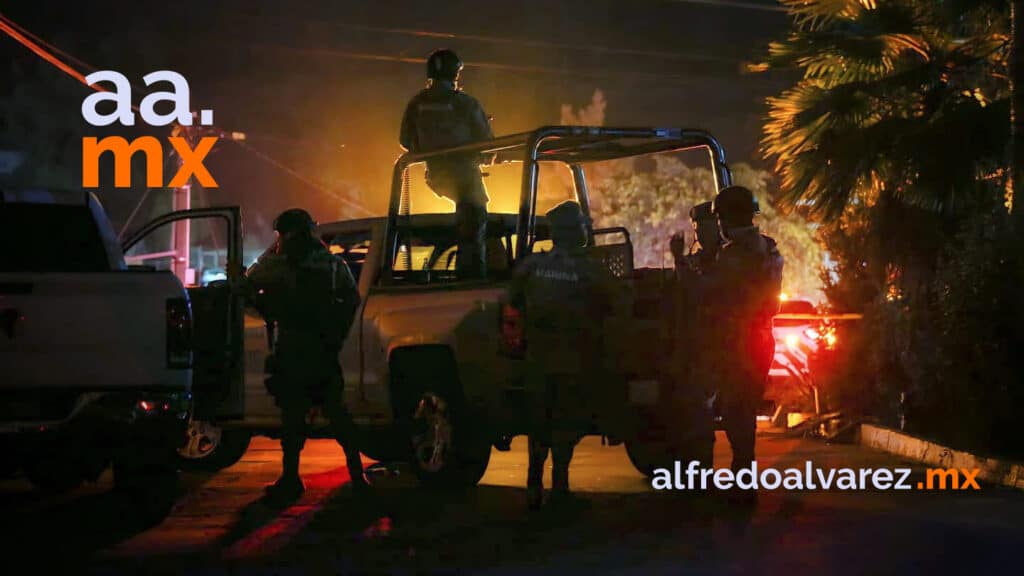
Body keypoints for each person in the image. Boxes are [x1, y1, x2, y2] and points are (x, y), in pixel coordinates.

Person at [247, 208, 367, 503]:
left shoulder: (278, 266)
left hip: (293, 349)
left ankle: (291, 480)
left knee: (292, 419)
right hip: (322, 350)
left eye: (280, 236)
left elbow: (248, 283)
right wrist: (335, 334)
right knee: (337, 416)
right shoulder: (331, 263)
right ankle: (357, 476)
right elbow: (351, 300)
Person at [508, 201, 618, 511]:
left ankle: (533, 487)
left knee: (539, 424)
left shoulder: (531, 265)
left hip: (537, 357)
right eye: (582, 225)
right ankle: (559, 489)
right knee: (564, 424)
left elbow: (511, 299)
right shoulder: (588, 268)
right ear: (574, 232)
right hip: (572, 358)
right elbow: (616, 300)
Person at [708, 186, 784, 475]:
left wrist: (681, 261)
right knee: (743, 407)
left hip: (738, 340)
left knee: (735, 409)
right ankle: (744, 475)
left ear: (727, 219)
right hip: (762, 338)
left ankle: (743, 477)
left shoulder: (733, 255)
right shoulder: (769, 248)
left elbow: (710, 291)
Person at [400, 48, 494, 278]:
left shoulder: (416, 104)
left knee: (464, 218)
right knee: (475, 218)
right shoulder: (465, 103)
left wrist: (430, 151)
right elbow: (487, 143)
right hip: (465, 176)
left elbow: (405, 140)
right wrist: (485, 155)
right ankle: (471, 279)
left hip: (436, 177)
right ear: (455, 74)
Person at [668, 201, 723, 466]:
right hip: (696, 346)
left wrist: (679, 259)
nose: (700, 233)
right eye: (697, 227)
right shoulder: (696, 260)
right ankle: (697, 471)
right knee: (692, 412)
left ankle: (705, 472)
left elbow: (698, 289)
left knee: (706, 413)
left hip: (720, 345)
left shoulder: (728, 259)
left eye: (705, 226)